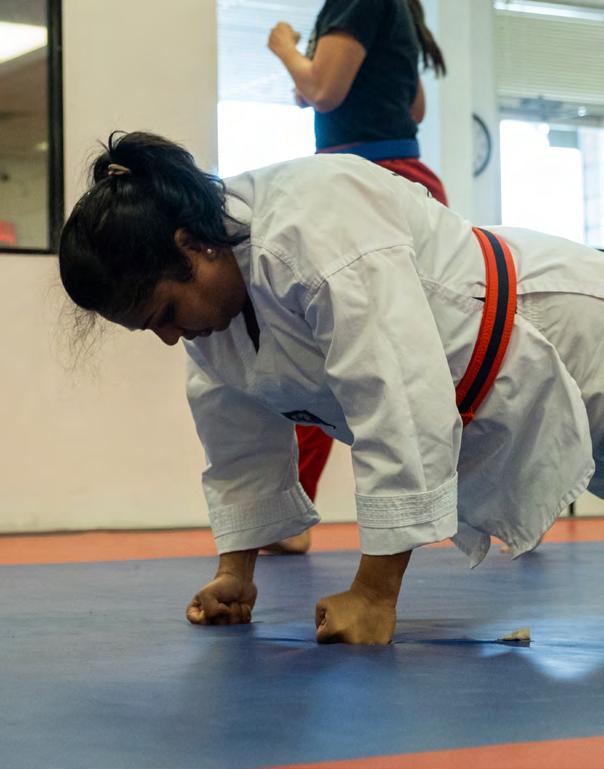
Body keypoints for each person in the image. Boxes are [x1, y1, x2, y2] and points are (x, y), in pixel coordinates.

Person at [59, 131, 603, 645]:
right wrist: (235, 575)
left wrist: (374, 593)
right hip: (502, 394)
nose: (169, 337)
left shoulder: (314, 225)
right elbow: (238, 445)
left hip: (568, 331)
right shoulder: (212, 315)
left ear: (193, 246)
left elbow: (397, 398)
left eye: (166, 314)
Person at [268, 0, 449, 551]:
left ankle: (292, 514)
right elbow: (413, 106)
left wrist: (283, 47)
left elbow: (322, 91)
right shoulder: (393, 9)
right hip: (397, 178)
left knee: (323, 348)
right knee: (414, 351)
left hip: (365, 184)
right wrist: (308, 71)